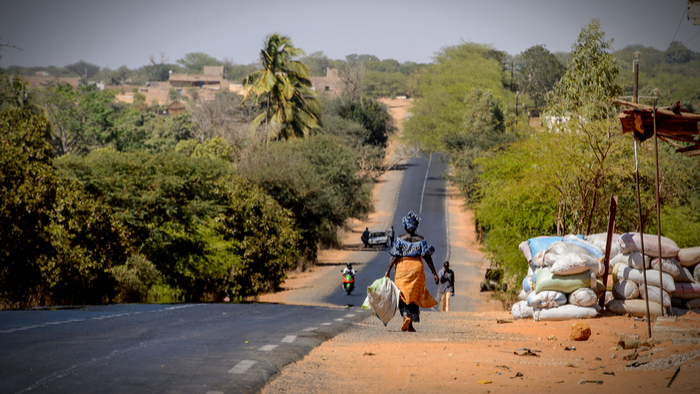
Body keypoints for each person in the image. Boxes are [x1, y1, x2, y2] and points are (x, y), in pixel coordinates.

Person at [384, 211, 438, 332]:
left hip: (402, 268)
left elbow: (393, 256)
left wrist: (387, 271)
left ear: (405, 225)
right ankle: (410, 324)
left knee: (401, 294)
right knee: (414, 295)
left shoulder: (399, 239)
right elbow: (427, 257)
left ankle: (405, 316)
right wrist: (434, 273)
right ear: (416, 225)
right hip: (416, 268)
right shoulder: (421, 240)